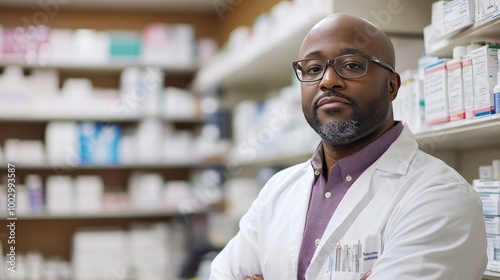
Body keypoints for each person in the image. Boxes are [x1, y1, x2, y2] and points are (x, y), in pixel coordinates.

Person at [209, 13, 487, 280]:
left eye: (352, 65)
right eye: (314, 69)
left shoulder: (440, 197)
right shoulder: (277, 190)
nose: (328, 81)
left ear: (392, 86)